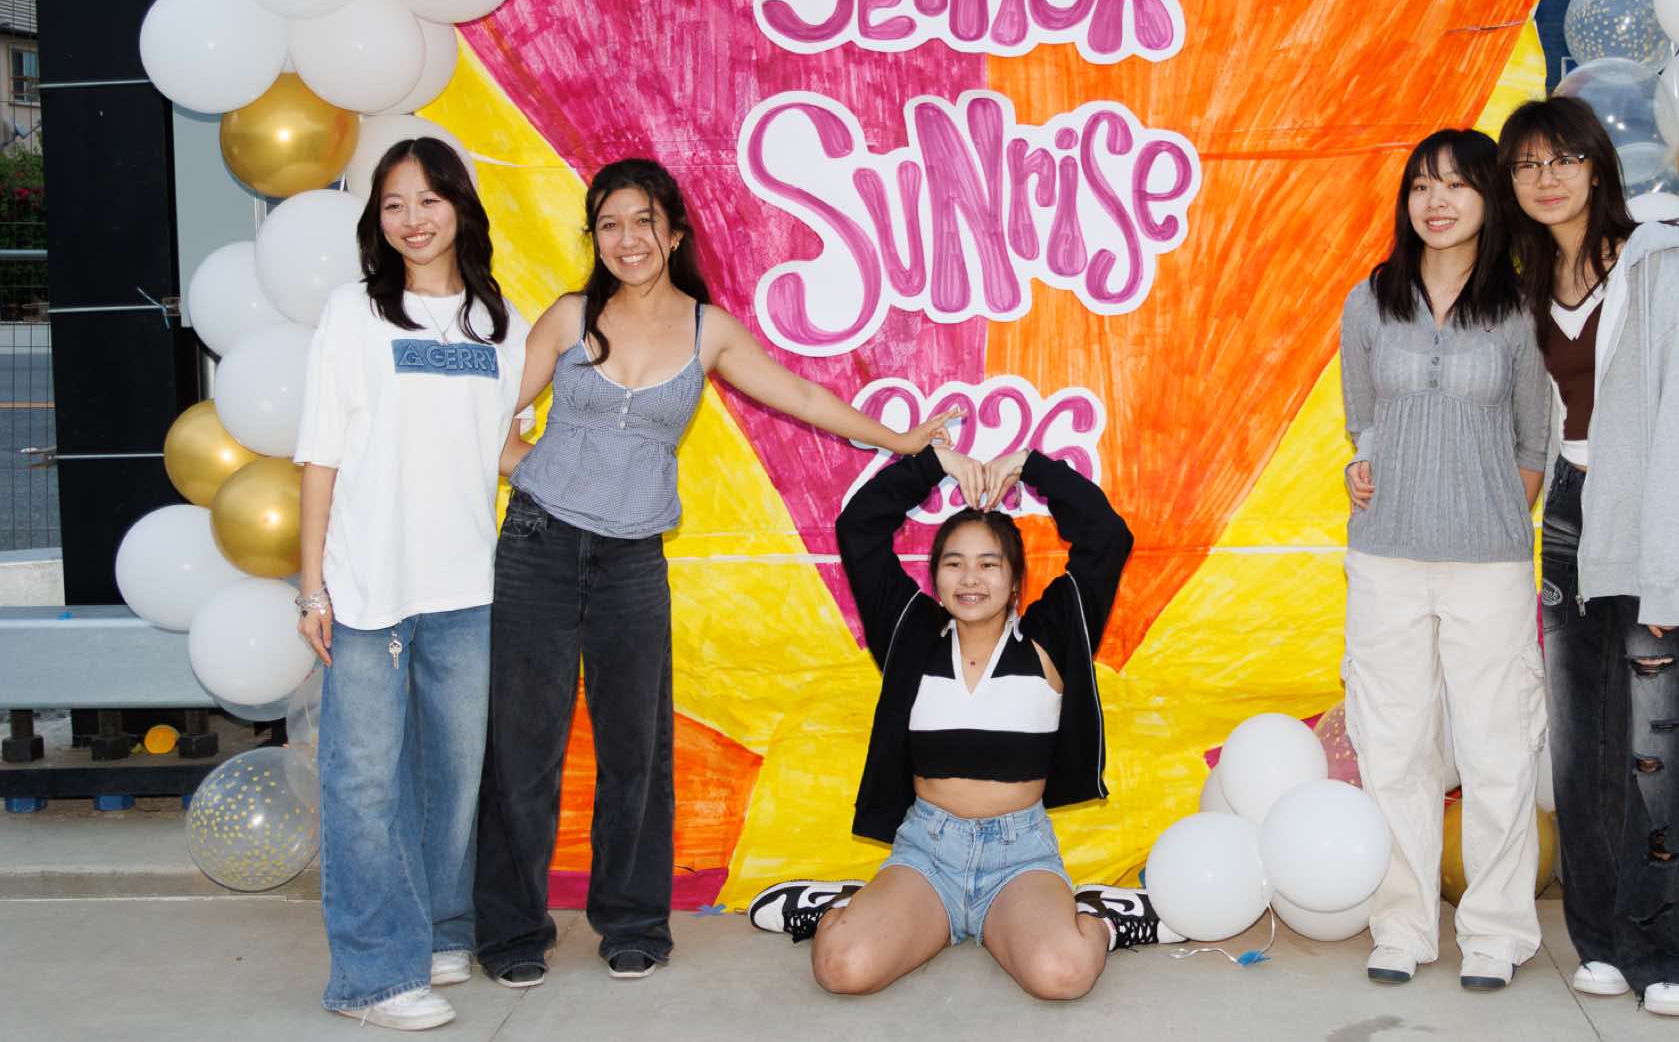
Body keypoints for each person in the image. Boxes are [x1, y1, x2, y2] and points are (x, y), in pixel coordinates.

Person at [475, 157, 952, 988]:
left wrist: (903, 441)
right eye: (610, 224)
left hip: (632, 559)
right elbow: (485, 416)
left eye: (643, 221)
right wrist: (526, 464)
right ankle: (512, 929)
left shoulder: (709, 330)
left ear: (674, 234)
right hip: (537, 546)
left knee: (636, 747)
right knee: (524, 744)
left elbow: (804, 398)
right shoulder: (568, 316)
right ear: (595, 237)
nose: (627, 238)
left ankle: (632, 922)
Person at [745, 444, 1178, 998]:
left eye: (989, 563)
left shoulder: (1051, 638)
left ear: (1015, 580)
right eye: (954, 562)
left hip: (1019, 858)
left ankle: (1105, 920)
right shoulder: (910, 632)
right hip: (927, 854)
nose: (970, 577)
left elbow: (1106, 537)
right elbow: (859, 527)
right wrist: (934, 464)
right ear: (935, 576)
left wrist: (1030, 466)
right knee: (842, 968)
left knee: (1064, 975)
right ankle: (849, 905)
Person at [1497, 96, 1679, 1019]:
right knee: (1583, 745)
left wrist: (1669, 571)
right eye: (1527, 165)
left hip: (1650, 524)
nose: (1546, 178)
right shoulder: (1531, 279)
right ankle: (1600, 939)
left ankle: (1669, 952)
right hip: (1570, 517)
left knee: (1658, 749)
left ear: (1597, 166)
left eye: (1563, 159)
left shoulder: (1659, 263)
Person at [294, 138, 530, 1032]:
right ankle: (370, 976)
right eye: (394, 204)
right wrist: (311, 586)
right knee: (365, 784)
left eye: (429, 199)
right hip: (365, 589)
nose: (413, 219)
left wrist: (594, 459)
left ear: (460, 207)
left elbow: (500, 448)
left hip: (466, 587)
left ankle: (439, 930)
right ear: (377, 220)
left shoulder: (497, 321)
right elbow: (320, 454)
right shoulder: (354, 312)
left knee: (452, 780)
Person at [1338, 128, 1551, 992]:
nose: (1437, 201)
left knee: (1498, 747)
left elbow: (1533, 439)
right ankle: (1402, 923)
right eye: (1423, 184)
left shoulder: (1519, 304)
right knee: (1393, 745)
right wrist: (1366, 463)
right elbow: (1364, 418)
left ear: (1489, 199)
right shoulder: (1370, 300)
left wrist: (1488, 511)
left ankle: (1496, 931)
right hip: (1385, 558)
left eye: (1458, 185)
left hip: (1488, 563)